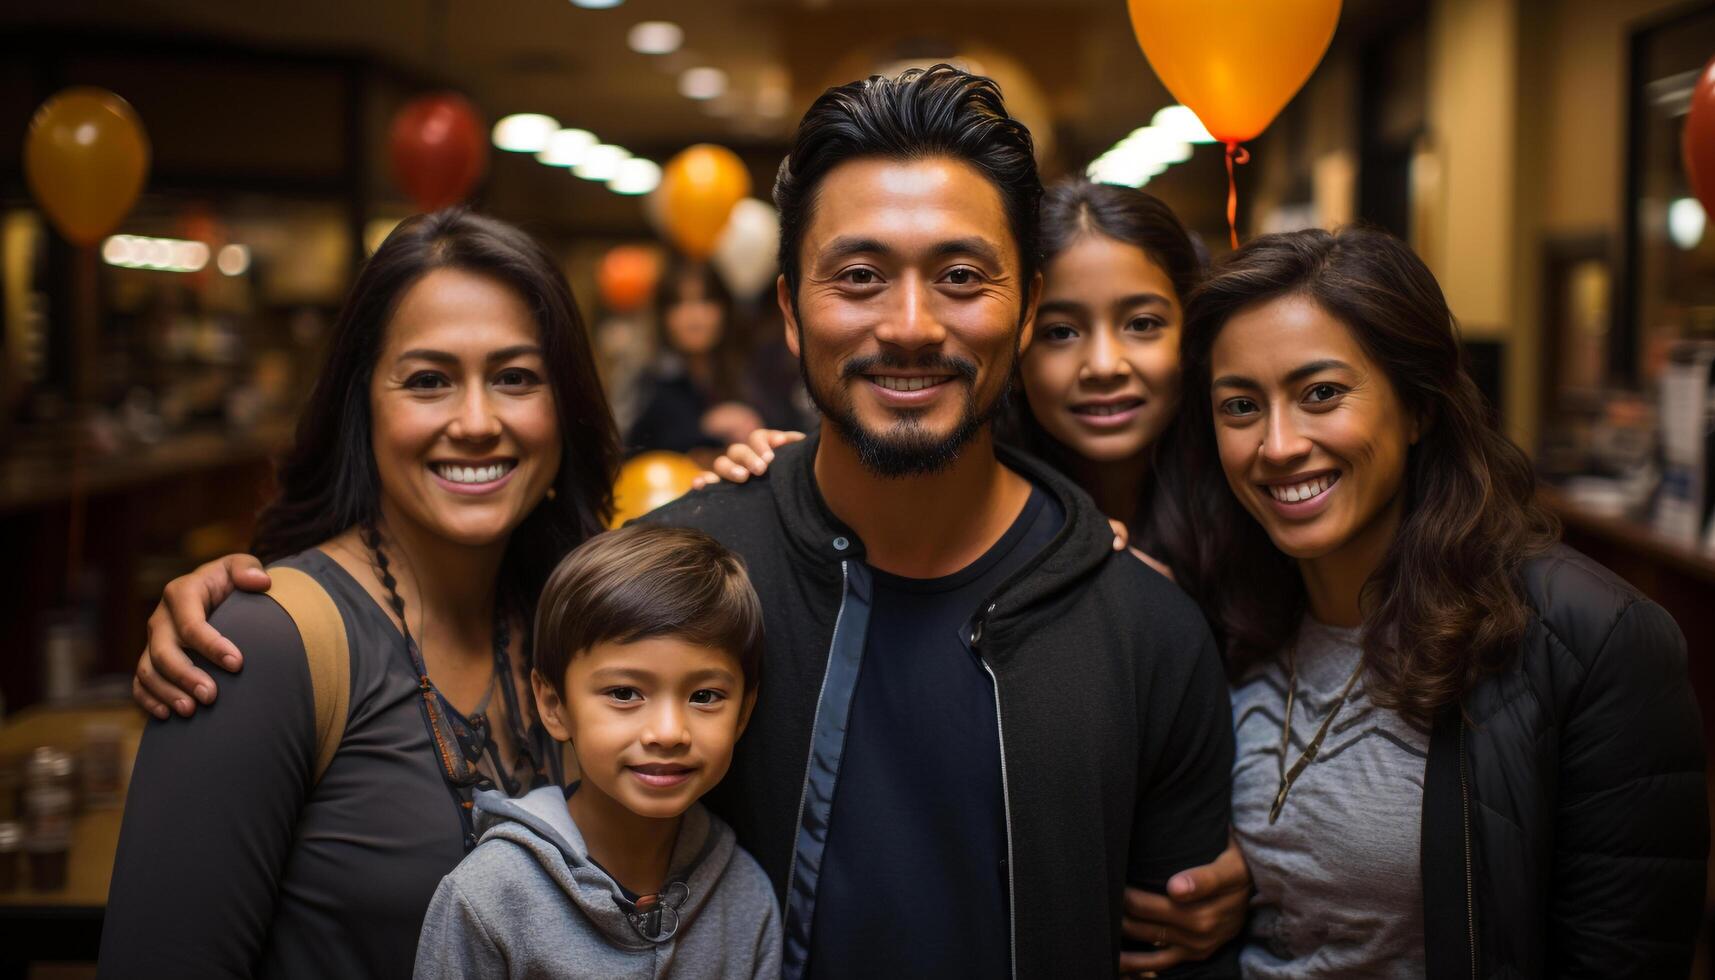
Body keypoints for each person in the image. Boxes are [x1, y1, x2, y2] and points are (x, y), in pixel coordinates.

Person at [130, 67, 1239, 979]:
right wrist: (243, 602)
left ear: (1026, 301)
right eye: (857, 276)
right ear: (789, 307)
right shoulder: (695, 583)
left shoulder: (1140, 625)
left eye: (959, 275)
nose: (909, 325)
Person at [699, 178, 1249, 974]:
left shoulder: (1241, 519)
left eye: (1142, 323)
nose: (1102, 364)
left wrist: (1255, 873)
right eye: (1062, 330)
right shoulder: (971, 500)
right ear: (1025, 331)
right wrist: (784, 476)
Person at [101, 209, 622, 979]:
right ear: (363, 407)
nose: (477, 422)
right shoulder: (261, 645)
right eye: (428, 381)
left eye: (515, 378)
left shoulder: (567, 622)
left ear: (564, 408)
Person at [1175, 226, 1706, 976]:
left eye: (1320, 394)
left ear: (1417, 407)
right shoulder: (1220, 614)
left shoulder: (1587, 641)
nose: (1278, 444)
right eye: (1239, 407)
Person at [414, 524, 781, 979]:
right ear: (554, 705)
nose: (668, 732)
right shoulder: (490, 897)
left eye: (704, 696)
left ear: (744, 712)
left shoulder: (747, 897)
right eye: (625, 693)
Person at [625, 258, 763, 459]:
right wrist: (706, 428)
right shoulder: (650, 379)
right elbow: (632, 451)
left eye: (705, 301)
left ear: (724, 309)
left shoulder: (754, 370)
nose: (694, 316)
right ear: (663, 316)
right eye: (679, 303)